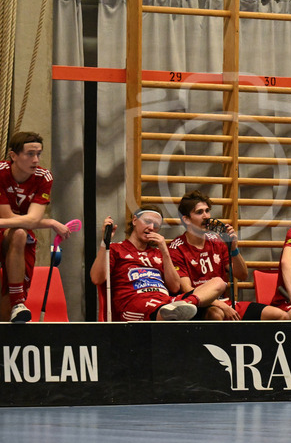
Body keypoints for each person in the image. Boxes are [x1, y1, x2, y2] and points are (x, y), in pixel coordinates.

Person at [89, 207, 226, 321]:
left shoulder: (158, 253)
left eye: (156, 226)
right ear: (135, 220)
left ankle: (184, 306)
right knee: (166, 313)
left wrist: (165, 251)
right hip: (134, 303)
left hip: (166, 301)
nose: (151, 227)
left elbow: (174, 287)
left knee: (218, 283)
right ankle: (176, 312)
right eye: (147, 222)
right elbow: (96, 278)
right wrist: (104, 243)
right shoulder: (115, 249)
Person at [168, 190, 287, 321]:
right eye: (199, 212)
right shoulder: (177, 248)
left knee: (279, 315)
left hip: (225, 302)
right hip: (201, 305)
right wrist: (221, 306)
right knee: (216, 314)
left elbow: (242, 275)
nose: (206, 216)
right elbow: (187, 290)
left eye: (207, 211)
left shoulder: (216, 240)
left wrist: (234, 249)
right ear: (186, 219)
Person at [0, 132, 72, 323]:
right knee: (20, 232)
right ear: (13, 155)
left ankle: (15, 304)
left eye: (39, 154)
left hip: (19, 235)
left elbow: (30, 220)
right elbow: (9, 216)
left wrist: (43, 222)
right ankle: (18, 302)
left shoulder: (44, 177)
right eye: (30, 154)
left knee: (21, 233)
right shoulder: (0, 172)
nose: (36, 159)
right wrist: (49, 222)